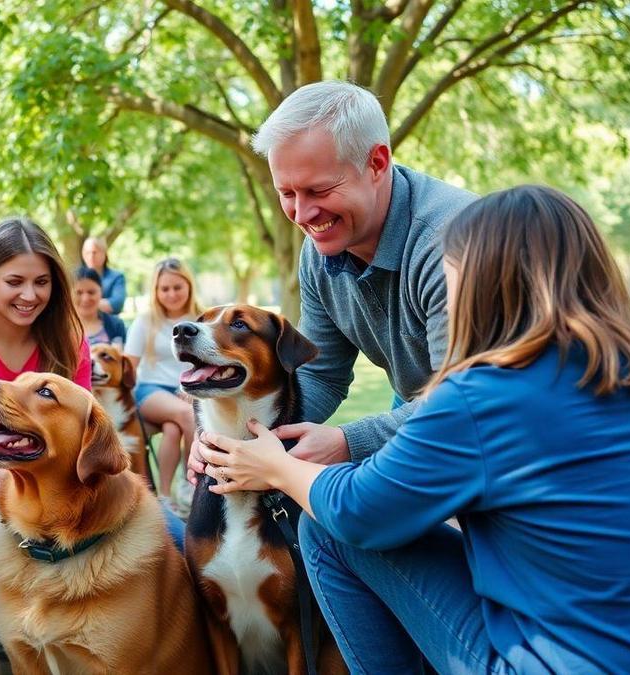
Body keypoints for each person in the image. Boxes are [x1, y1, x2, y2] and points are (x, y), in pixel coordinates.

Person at [198, 185, 630, 673]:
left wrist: (278, 467)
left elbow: (358, 512)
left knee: (327, 528)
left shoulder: (488, 393)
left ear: (479, 278)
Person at [188, 79, 476, 483]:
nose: (302, 215)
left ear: (377, 163)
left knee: (336, 518)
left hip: (513, 433)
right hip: (422, 403)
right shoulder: (320, 251)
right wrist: (229, 438)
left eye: (319, 189)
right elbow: (322, 374)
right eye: (286, 193)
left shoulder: (451, 244)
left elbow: (466, 402)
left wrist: (348, 441)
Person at [125, 257, 200, 510]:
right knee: (187, 415)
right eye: (164, 289)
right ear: (156, 292)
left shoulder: (200, 318)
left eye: (177, 287)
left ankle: (165, 498)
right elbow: (129, 368)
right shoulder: (146, 321)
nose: (171, 294)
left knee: (173, 428)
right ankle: (190, 483)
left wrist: (193, 389)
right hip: (150, 390)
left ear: (188, 285)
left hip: (187, 389)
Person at [74, 267, 126, 346]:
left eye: (91, 292)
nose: (85, 299)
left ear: (101, 292)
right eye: (79, 293)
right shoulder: (58, 328)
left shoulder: (116, 326)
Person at [79, 236, 127, 315]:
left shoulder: (117, 277)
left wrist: (82, 303)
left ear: (104, 254)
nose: (91, 256)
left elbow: (117, 304)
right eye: (87, 252)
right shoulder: (74, 277)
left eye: (94, 252)